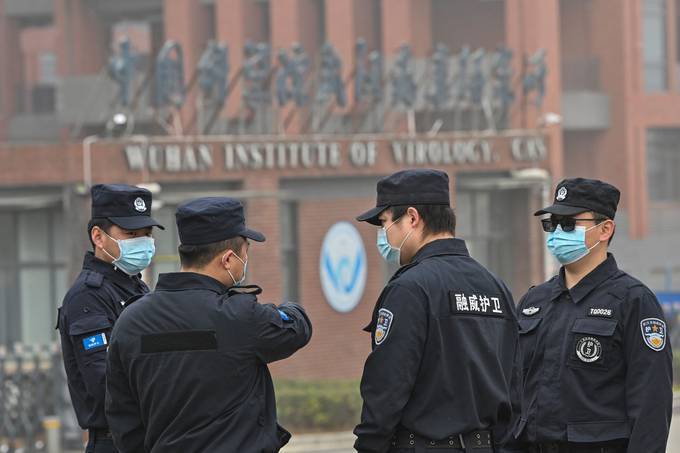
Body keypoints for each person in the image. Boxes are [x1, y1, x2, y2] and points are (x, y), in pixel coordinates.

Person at [105, 197, 312, 452]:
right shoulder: (240, 317)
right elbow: (298, 328)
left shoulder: (130, 321)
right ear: (227, 259)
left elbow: (123, 418)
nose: (245, 260)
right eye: (245, 251)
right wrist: (288, 309)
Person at [353, 169, 522, 453]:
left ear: (411, 218)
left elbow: (388, 386)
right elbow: (514, 385)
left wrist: (370, 444)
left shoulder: (410, 288)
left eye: (384, 223)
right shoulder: (495, 287)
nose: (384, 235)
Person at [516, 177, 673, 453]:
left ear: (605, 229)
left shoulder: (633, 301)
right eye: (551, 224)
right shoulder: (534, 301)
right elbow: (512, 391)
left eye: (568, 224)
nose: (557, 233)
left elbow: (651, 404)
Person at [57, 184, 163, 453]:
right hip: (114, 441)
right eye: (131, 233)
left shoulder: (135, 287)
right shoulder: (87, 297)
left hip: (149, 435)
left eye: (146, 234)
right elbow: (104, 383)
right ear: (98, 237)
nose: (143, 242)